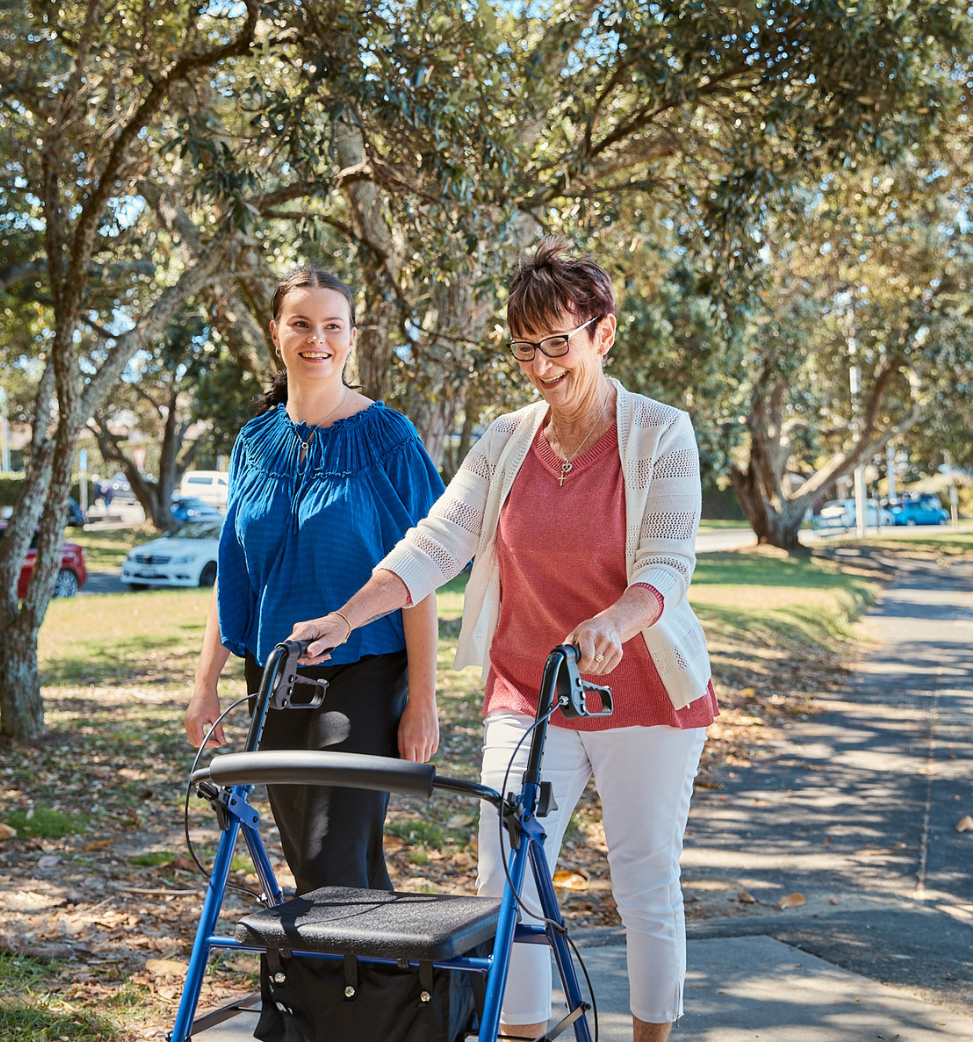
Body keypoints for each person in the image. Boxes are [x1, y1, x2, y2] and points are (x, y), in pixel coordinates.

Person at [289, 239, 718, 1042]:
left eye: (560, 342)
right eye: (527, 347)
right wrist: (348, 615)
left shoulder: (661, 434)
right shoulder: (507, 440)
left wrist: (612, 624)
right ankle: (518, 1033)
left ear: (603, 334)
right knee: (504, 876)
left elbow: (666, 563)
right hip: (528, 688)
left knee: (644, 880)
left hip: (644, 694)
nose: (544, 364)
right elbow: (434, 541)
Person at [183, 268, 444, 895]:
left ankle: (351, 988)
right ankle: (377, 989)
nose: (316, 339)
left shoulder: (390, 439)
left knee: (332, 856)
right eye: (301, 323)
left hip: (365, 673)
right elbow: (237, 576)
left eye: (332, 325)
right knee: (317, 865)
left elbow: (423, 575)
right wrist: (204, 686)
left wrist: (424, 702)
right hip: (274, 678)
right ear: (277, 333)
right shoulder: (254, 442)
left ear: (351, 338)